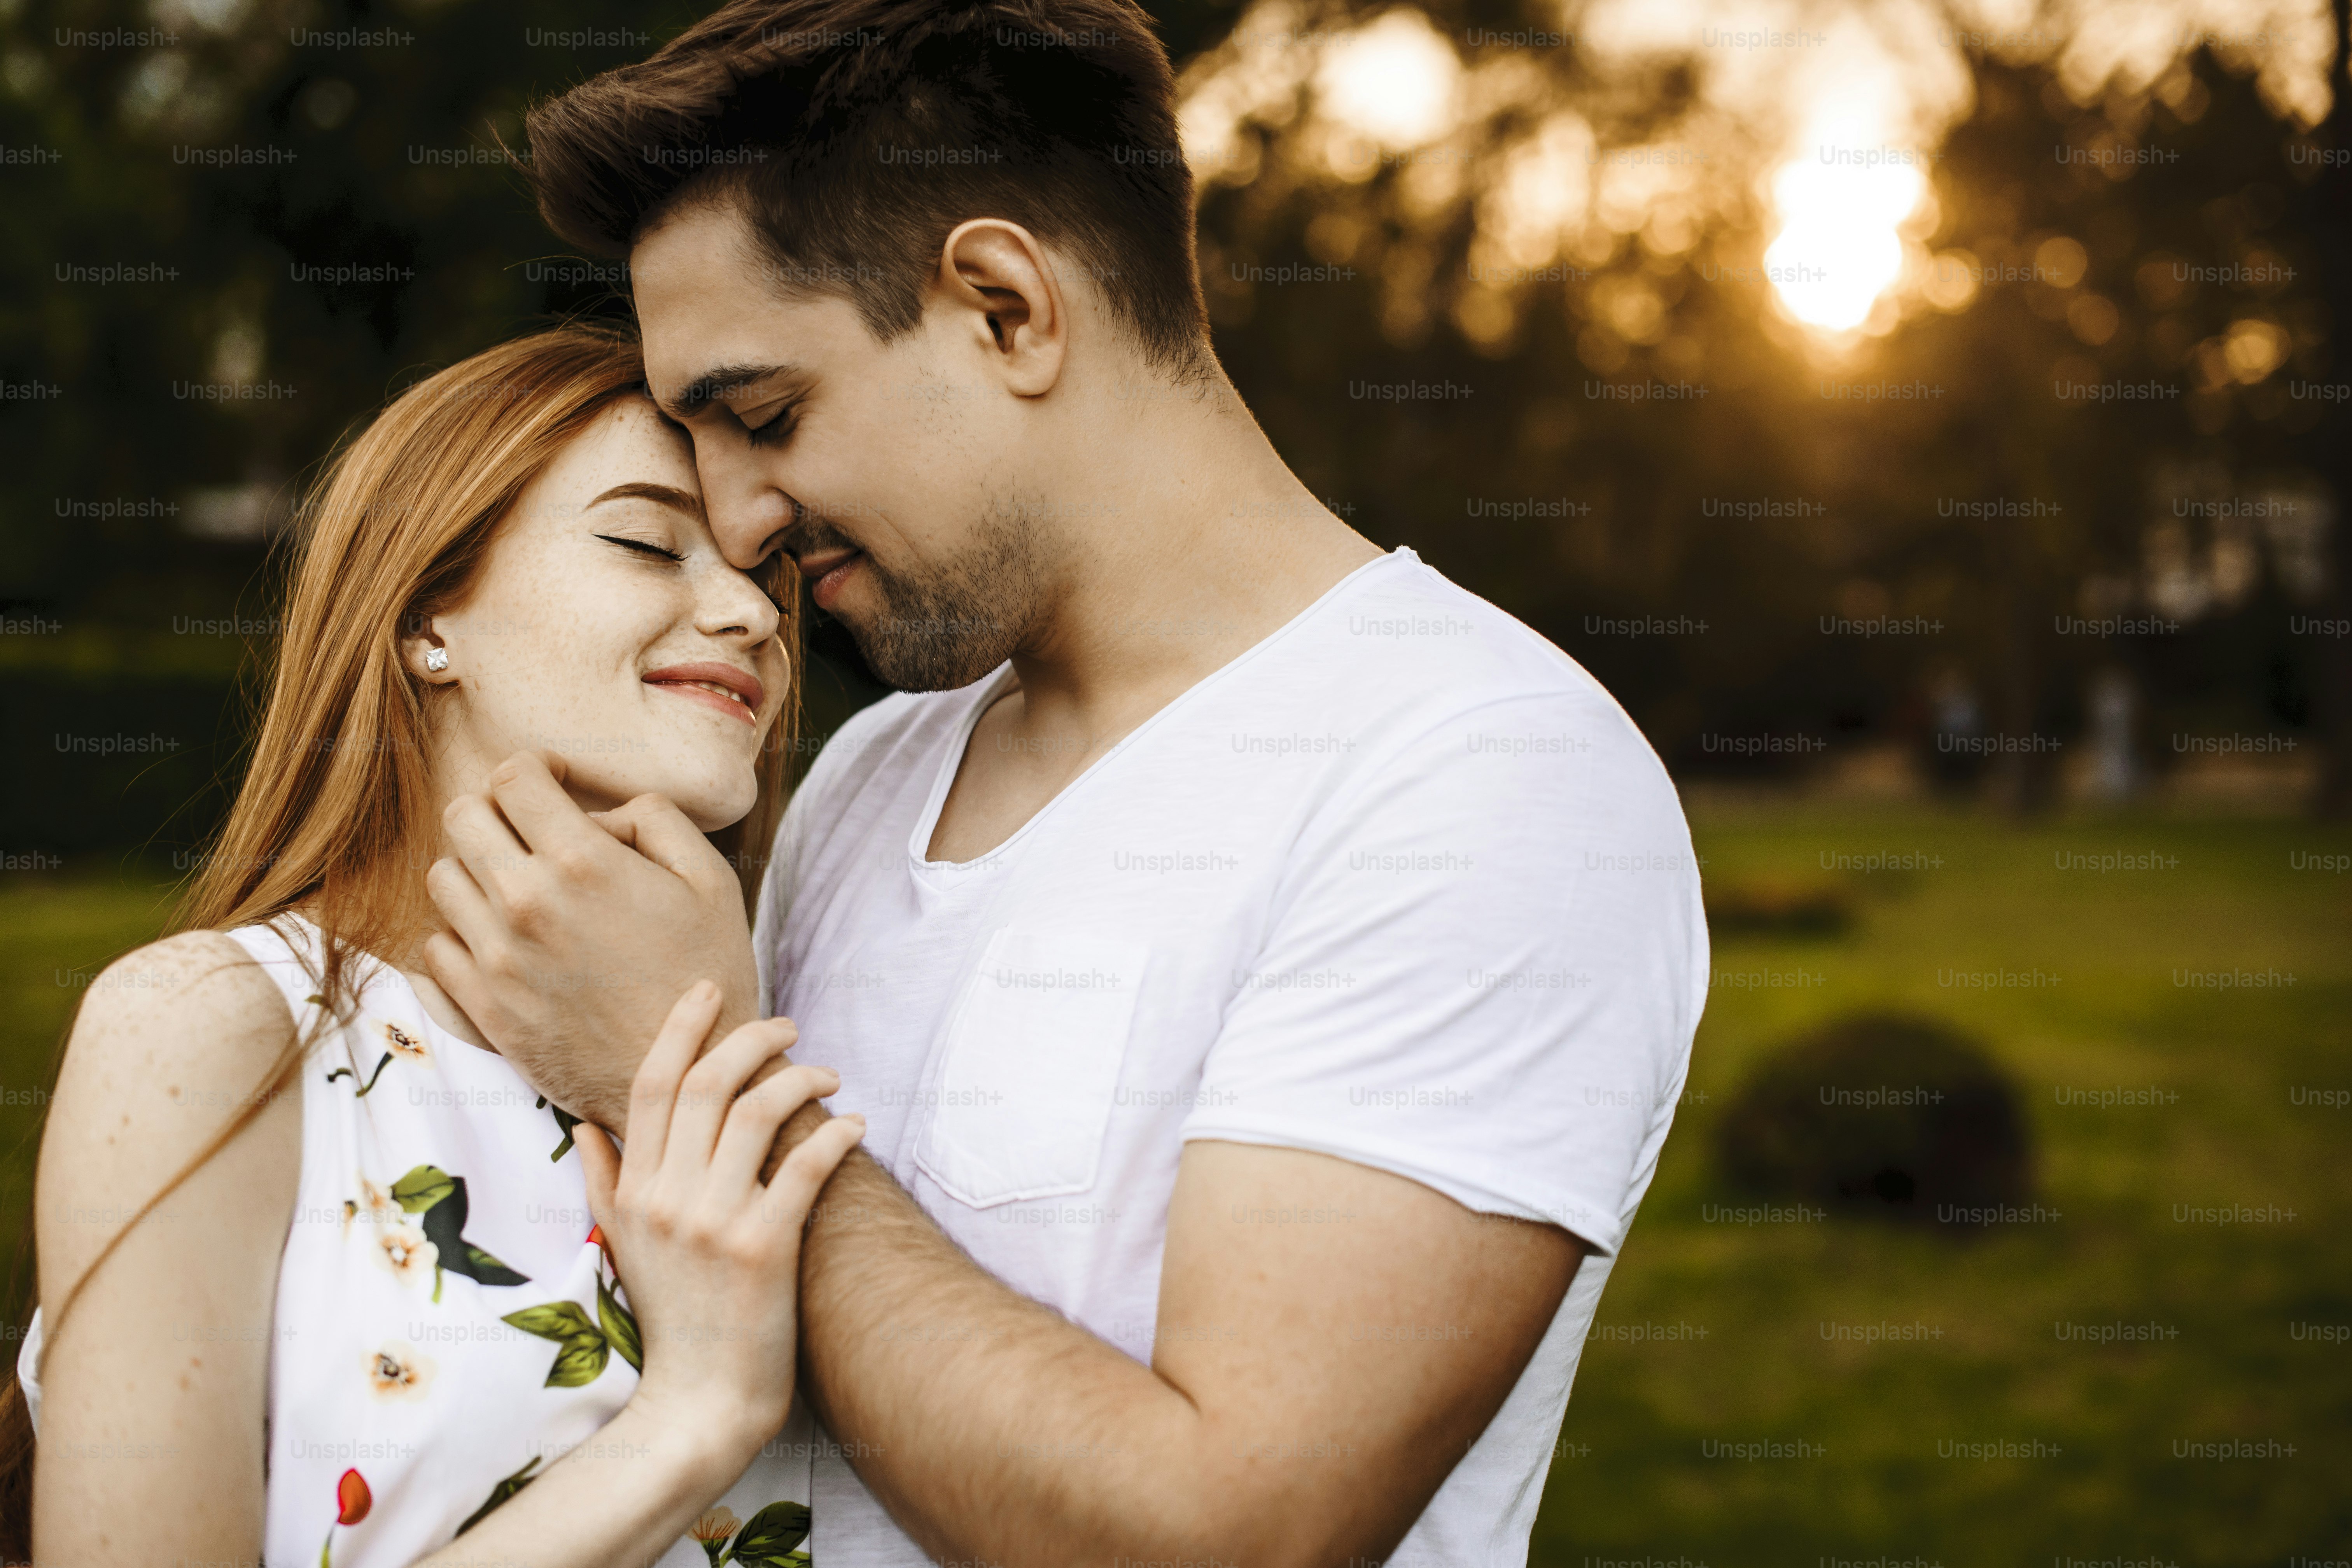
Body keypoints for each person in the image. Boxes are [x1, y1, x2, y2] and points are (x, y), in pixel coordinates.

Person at [422, 2, 1710, 1564]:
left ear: (1007, 308)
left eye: (764, 417)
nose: (738, 516)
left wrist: (678, 1078)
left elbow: (1228, 1536)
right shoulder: (874, 775)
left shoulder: (1481, 780)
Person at [12, 323, 866, 1565]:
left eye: (765, 576)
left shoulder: (789, 1039)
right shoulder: (216, 1031)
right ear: (426, 618)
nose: (750, 613)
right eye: (644, 540)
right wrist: (696, 1414)